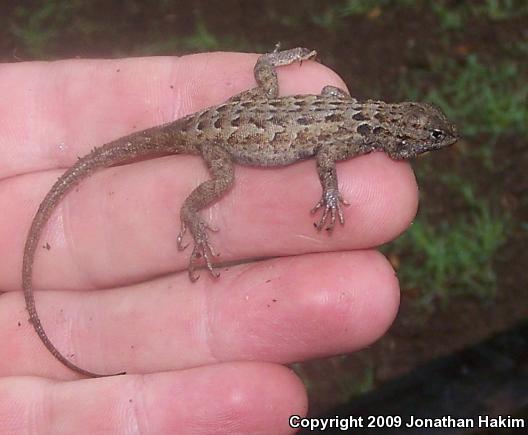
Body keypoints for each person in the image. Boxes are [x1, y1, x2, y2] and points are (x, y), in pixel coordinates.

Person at [0, 51, 415, 433]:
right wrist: (329, 194)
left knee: (268, 90)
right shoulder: (357, 131)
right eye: (428, 137)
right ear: (401, 136)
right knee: (224, 180)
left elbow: (326, 95)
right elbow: (326, 156)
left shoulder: (354, 111)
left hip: (237, 112)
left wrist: (278, 64)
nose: (431, 142)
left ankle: (271, 61)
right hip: (219, 136)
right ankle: (190, 214)